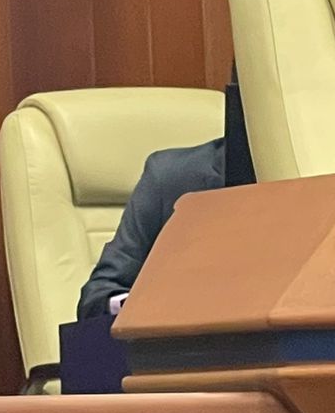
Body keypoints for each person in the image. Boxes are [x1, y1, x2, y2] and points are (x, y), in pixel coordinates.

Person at [75, 70, 253, 321]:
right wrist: (160, 305)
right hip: (187, 339)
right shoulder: (171, 178)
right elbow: (98, 298)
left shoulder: (312, 176)